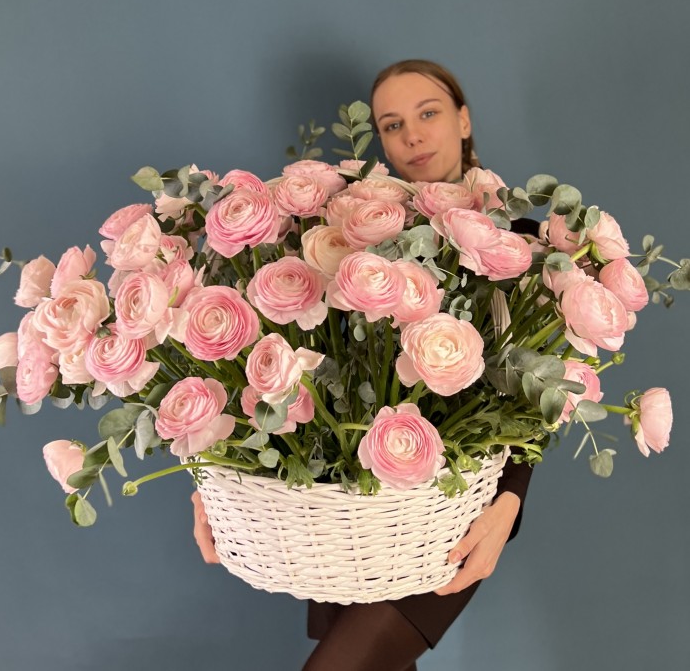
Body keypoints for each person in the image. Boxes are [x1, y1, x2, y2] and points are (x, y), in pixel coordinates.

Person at [191, 59, 535, 670]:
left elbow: (536, 389)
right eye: (392, 124)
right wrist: (209, 482)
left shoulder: (517, 239)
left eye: (428, 113)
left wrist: (509, 502)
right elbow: (278, 366)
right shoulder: (350, 232)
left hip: (444, 511)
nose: (413, 135)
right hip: (342, 516)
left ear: (463, 119)